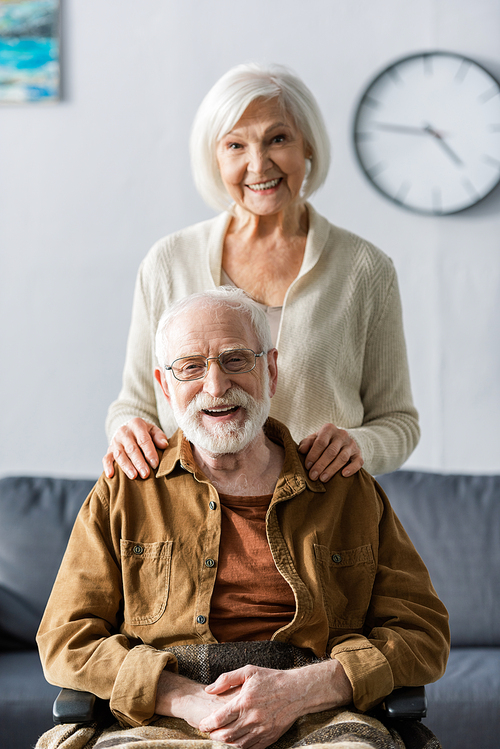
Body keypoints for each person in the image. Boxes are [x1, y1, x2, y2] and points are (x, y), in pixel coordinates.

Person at [37, 289, 448, 749]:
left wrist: (303, 690)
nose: (216, 386)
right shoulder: (125, 490)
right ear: (164, 385)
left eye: (235, 360)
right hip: (162, 718)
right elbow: (65, 639)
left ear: (270, 371)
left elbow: (423, 633)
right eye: (191, 366)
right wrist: (186, 697)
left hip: (322, 716)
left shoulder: (345, 487)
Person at [103, 62, 420, 485]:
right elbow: (134, 405)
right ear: (214, 158)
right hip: (195, 526)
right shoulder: (168, 261)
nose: (258, 164)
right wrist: (127, 432)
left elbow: (398, 422)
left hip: (321, 526)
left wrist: (359, 445)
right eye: (235, 145)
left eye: (278, 138)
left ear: (307, 145)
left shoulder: (365, 269)